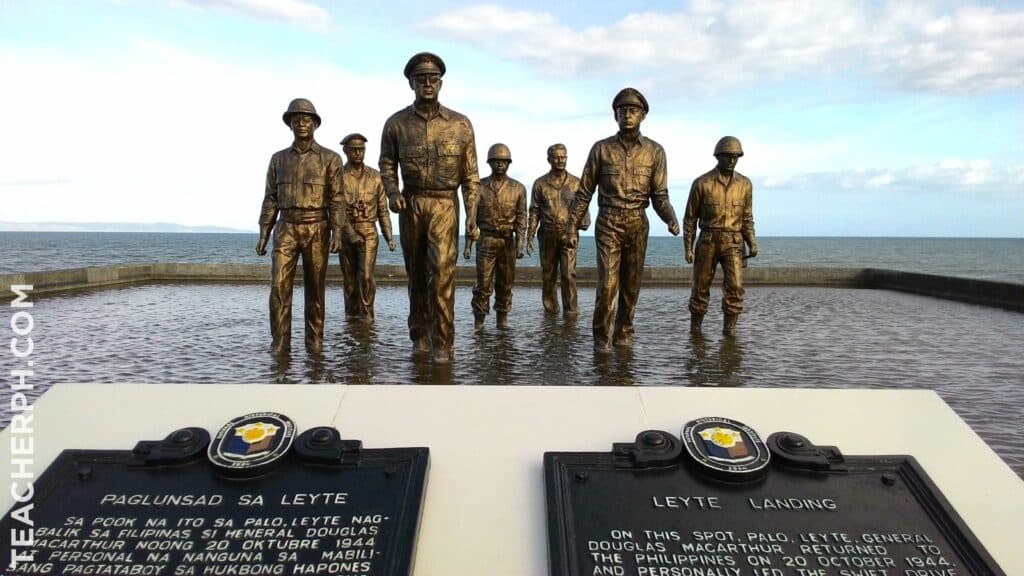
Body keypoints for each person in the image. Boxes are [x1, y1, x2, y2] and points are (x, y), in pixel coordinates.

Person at [379, 52, 480, 364]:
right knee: (416, 275)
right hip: (411, 204)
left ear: (441, 82)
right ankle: (419, 336)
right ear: (410, 82)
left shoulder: (461, 124)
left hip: (445, 204)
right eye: (420, 78)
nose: (427, 83)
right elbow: (386, 165)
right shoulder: (396, 124)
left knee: (441, 274)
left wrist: (472, 216)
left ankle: (443, 343)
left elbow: (471, 176)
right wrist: (392, 192)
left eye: (432, 78)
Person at [566, 88, 680, 353]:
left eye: (633, 111)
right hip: (609, 221)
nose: (627, 115)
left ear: (643, 115)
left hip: (638, 223)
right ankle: (601, 338)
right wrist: (572, 224)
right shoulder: (601, 149)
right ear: (615, 115)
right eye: (622, 111)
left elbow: (660, 195)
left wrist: (670, 218)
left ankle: (623, 333)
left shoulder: (655, 152)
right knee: (607, 285)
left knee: (631, 285)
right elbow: (584, 192)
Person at [257, 98, 350, 355]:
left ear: (315, 124)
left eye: (306, 118)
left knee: (315, 290)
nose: (301, 123)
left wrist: (337, 231)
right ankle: (280, 343)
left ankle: (314, 343)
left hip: (316, 228)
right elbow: (270, 198)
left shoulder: (330, 159)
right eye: (295, 119)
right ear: (289, 124)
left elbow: (337, 199)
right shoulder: (278, 159)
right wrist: (264, 232)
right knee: (278, 286)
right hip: (286, 228)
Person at [683, 136, 758, 336]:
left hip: (733, 242)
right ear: (718, 156)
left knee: (735, 287)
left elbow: (747, 217)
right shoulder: (702, 183)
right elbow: (690, 218)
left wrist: (752, 242)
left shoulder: (745, 184)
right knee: (700, 287)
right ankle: (696, 328)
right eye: (727, 156)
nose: (732, 160)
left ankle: (729, 331)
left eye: (735, 156)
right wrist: (688, 248)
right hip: (708, 240)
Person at [337, 133, 396, 321]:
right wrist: (349, 233)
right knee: (349, 279)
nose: (357, 153)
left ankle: (367, 314)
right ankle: (351, 314)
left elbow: (383, 210)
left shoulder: (376, 177)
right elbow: (336, 209)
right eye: (353, 149)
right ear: (345, 150)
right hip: (346, 231)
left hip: (369, 231)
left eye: (361, 149)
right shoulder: (338, 176)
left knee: (366, 276)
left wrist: (389, 237)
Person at [468, 143, 527, 330]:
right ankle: (479, 320)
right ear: (490, 163)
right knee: (483, 284)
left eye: (504, 162)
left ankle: (502, 319)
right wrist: (468, 244)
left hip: (508, 241)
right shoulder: (479, 186)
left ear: (509, 164)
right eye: (496, 161)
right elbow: (472, 217)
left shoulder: (518, 188)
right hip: (486, 240)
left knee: (506, 283)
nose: (500, 165)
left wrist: (521, 243)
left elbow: (522, 218)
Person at [526, 144, 590, 316]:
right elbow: (534, 210)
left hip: (568, 234)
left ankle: (570, 309)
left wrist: (583, 222)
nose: (560, 160)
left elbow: (582, 206)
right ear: (549, 159)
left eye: (563, 157)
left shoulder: (576, 183)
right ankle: (551, 308)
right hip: (547, 234)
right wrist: (530, 234)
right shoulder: (540, 184)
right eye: (556, 157)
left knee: (568, 274)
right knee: (548, 274)